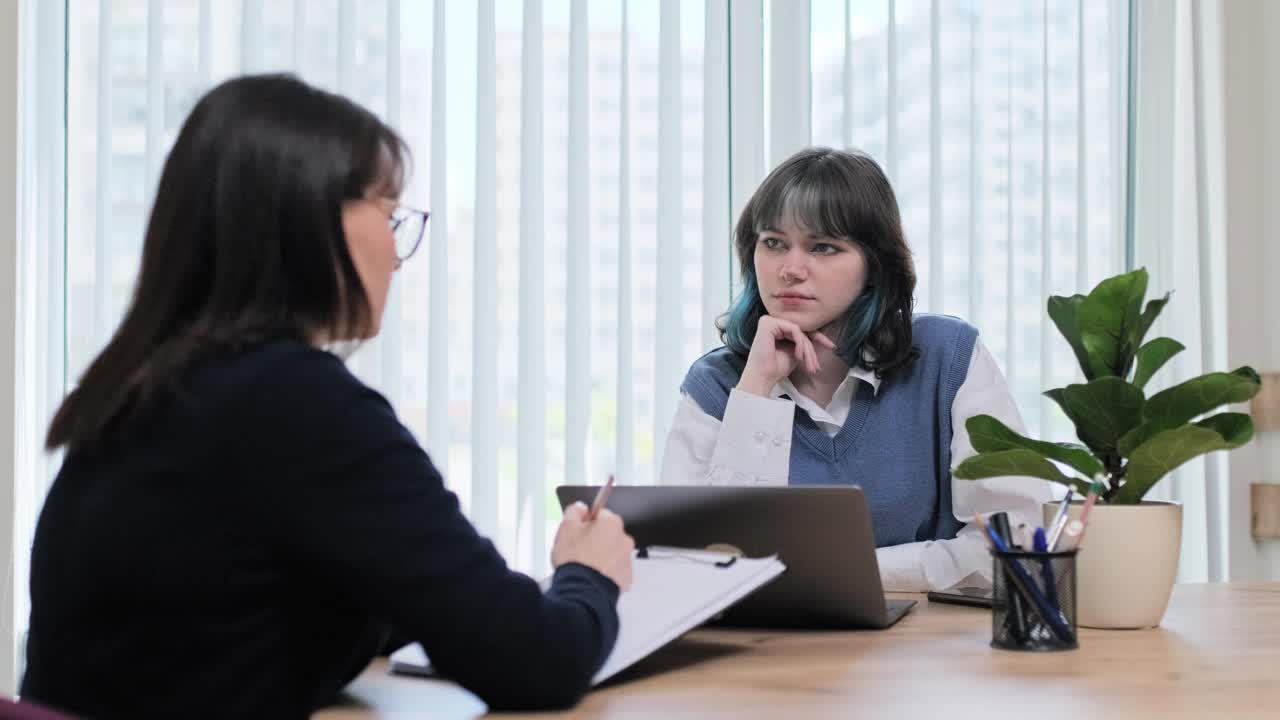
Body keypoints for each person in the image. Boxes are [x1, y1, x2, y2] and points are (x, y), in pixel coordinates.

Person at [22, 74, 634, 718]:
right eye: (389, 213)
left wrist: (449, 599)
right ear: (311, 220)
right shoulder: (294, 402)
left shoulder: (142, 391)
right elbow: (537, 663)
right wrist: (588, 574)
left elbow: (249, 610)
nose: (398, 254)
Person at [661, 147, 1052, 593]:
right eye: (773, 243)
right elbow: (697, 565)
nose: (790, 269)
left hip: (928, 651)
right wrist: (755, 391)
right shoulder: (715, 384)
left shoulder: (949, 357)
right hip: (769, 650)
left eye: (823, 247)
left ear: (874, 266)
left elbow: (1012, 545)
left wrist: (843, 571)